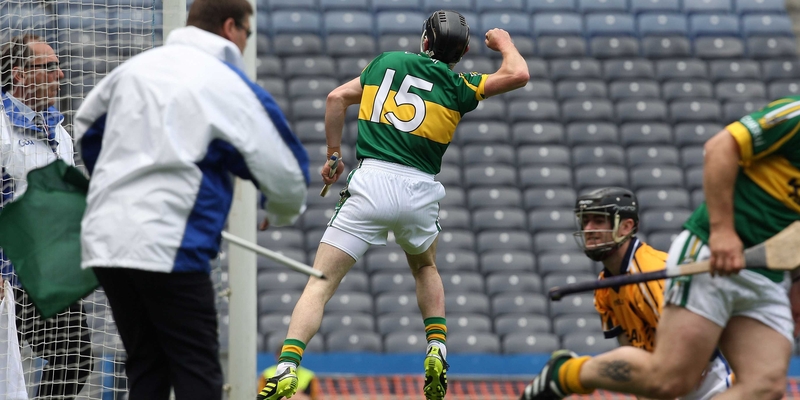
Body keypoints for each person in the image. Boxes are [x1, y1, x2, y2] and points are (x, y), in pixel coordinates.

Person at [258, 10, 530, 400]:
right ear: (464, 51)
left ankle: (287, 366)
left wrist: (334, 156)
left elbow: (336, 98)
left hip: (371, 182)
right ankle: (436, 346)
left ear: (423, 41)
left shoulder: (385, 62)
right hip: (420, 188)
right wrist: (504, 43)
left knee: (320, 284)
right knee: (425, 266)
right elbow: (518, 74)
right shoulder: (459, 87)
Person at [72, 0, 309, 398]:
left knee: (146, 365)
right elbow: (288, 173)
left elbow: (87, 129)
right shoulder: (227, 82)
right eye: (248, 34)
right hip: (169, 242)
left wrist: (121, 185)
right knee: (196, 370)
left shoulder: (135, 69)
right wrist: (280, 212)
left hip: (107, 239)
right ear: (232, 27)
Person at [521, 97, 800, 400]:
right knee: (668, 379)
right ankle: (566, 373)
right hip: (713, 250)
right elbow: (720, 148)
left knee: (766, 387)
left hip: (767, 273)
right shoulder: (795, 115)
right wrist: (723, 232)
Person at [569, 187, 731, 400]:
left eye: (598, 221)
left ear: (626, 227)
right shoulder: (604, 287)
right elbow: (631, 351)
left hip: (705, 382)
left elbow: (691, 340)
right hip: (663, 382)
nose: (588, 229)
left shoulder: (651, 272)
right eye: (585, 221)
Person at [0, 34, 93, 399]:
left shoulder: (59, 133)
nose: (60, 74)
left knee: (74, 359)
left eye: (58, 65)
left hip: (48, 277)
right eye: (49, 66)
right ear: (20, 76)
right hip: (7, 277)